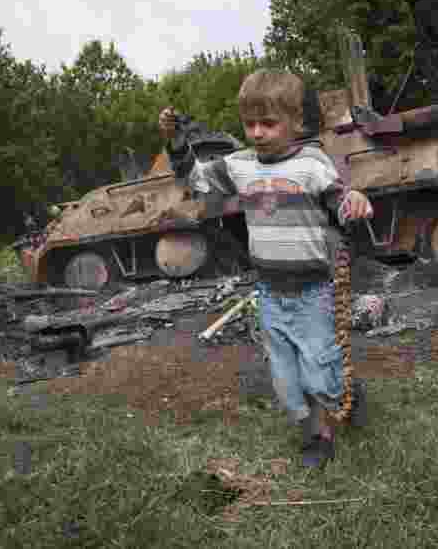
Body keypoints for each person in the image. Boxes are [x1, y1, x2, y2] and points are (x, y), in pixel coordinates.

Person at [158, 69, 373, 468]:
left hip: (313, 294)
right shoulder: (239, 166)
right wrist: (176, 143)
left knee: (318, 372)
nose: (257, 132)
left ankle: (338, 403)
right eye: (250, 124)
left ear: (296, 123)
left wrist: (356, 200)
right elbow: (195, 179)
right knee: (288, 382)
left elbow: (341, 201)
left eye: (268, 123)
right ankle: (316, 434)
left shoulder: (312, 164)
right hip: (270, 295)